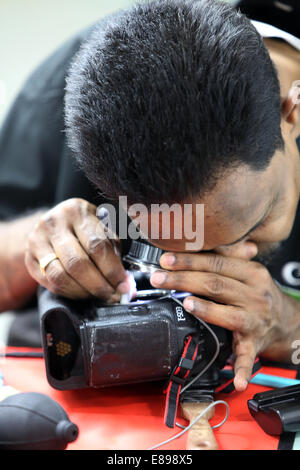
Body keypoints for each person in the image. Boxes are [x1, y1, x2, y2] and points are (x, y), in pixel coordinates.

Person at [0, 0, 299, 395]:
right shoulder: (84, 89)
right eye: (164, 241)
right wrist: (44, 248)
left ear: (292, 113)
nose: (212, 269)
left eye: (255, 224)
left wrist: (291, 327)